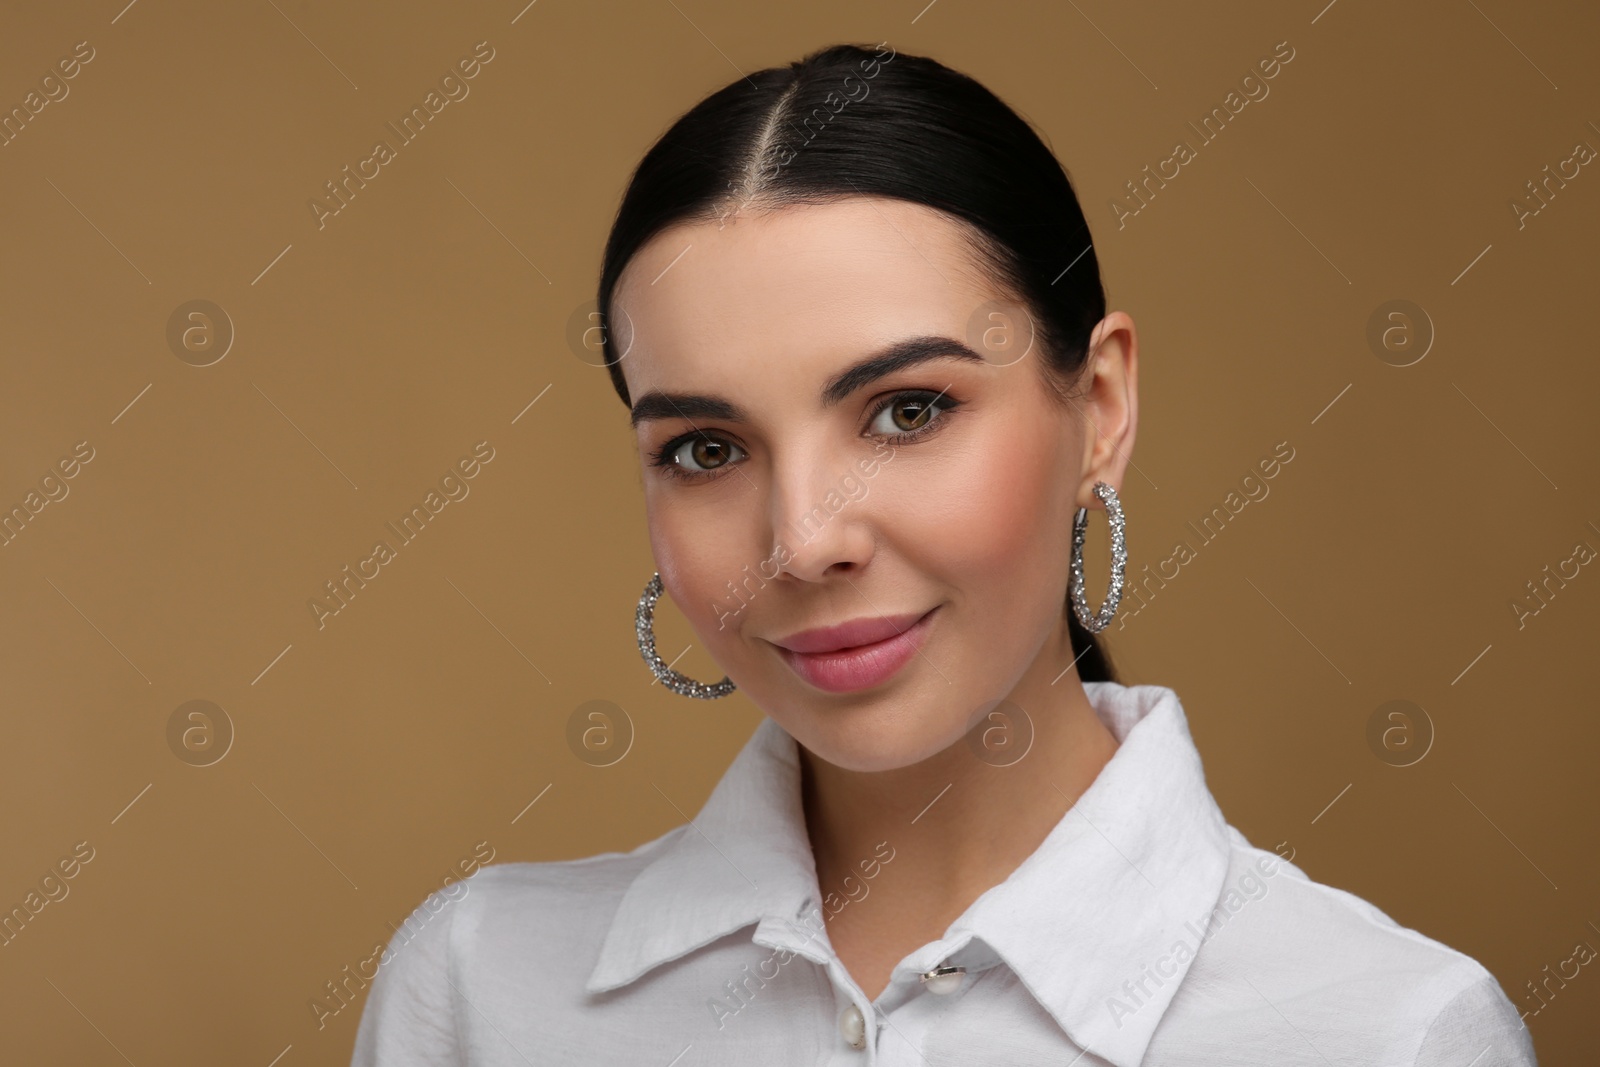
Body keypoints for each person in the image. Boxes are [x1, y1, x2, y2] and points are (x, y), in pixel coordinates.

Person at [349, 42, 1537, 1065]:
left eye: (907, 410)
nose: (805, 539)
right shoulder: (480, 990)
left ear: (1103, 406)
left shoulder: (1387, 1031)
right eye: (708, 447)